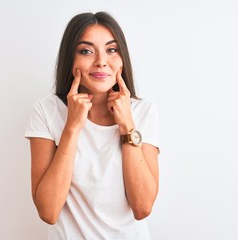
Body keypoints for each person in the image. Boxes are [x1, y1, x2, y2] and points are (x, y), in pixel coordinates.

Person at [25, 11, 160, 239]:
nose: (100, 61)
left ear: (122, 58)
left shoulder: (143, 111)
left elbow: (142, 207)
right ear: (71, 60)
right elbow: (48, 211)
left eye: (111, 50)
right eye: (86, 51)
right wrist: (72, 127)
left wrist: (127, 125)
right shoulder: (46, 110)